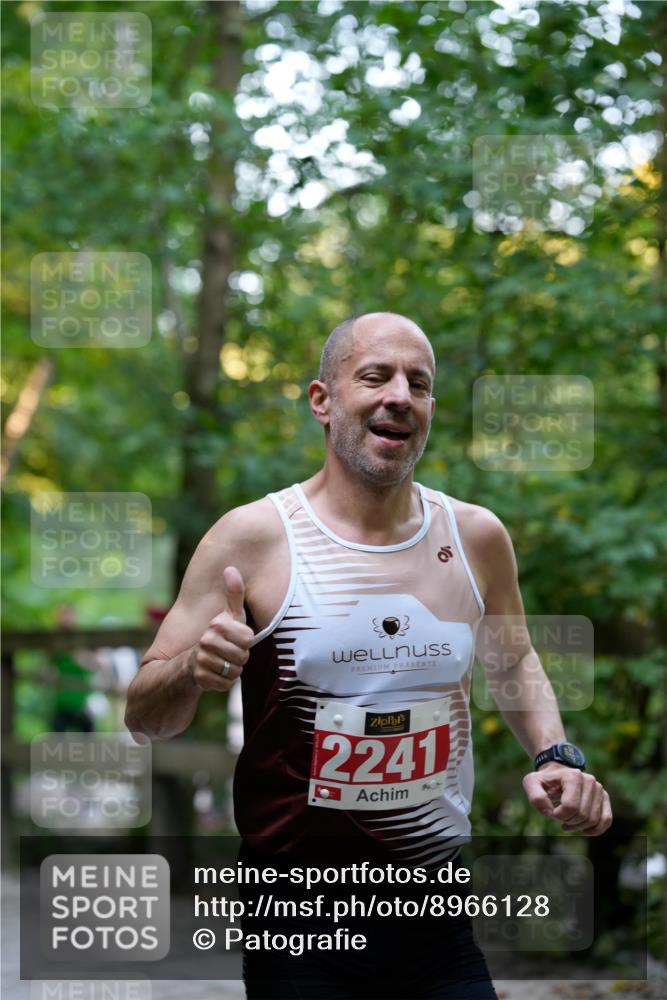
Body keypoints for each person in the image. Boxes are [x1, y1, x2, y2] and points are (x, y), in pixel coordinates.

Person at [125, 311, 612, 999]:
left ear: (430, 409)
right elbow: (146, 717)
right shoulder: (253, 539)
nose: (399, 397)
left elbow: (511, 661)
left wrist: (554, 754)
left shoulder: (474, 536)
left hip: (432, 896)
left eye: (418, 383)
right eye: (374, 376)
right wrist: (191, 669)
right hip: (298, 907)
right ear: (322, 401)